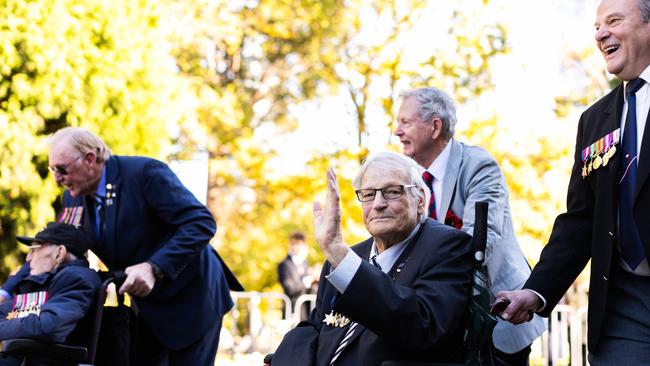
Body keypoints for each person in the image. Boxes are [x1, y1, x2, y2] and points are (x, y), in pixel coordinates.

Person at [2, 127, 238, 365]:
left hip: (192, 297)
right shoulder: (73, 198)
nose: (56, 178)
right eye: (53, 169)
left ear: (90, 159)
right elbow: (53, 246)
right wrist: (7, 290)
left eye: (62, 169)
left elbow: (200, 222)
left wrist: (153, 267)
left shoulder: (144, 173)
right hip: (147, 306)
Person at [496, 0, 650, 363]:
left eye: (614, 21)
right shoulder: (595, 120)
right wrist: (535, 292)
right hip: (622, 306)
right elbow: (580, 221)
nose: (600, 34)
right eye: (597, 26)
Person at [271, 152, 473, 365]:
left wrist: (341, 257)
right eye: (368, 194)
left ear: (420, 200)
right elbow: (314, 327)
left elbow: (423, 325)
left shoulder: (447, 246)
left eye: (392, 192)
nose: (378, 203)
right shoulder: (349, 257)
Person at [394, 86, 546, 365]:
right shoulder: (409, 177)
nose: (397, 131)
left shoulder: (478, 166)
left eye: (405, 122)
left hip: (498, 316)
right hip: (444, 321)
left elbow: (479, 239)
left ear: (434, 126)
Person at [0, 222, 101, 366]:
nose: (28, 259)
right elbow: (8, 310)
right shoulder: (50, 280)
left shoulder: (77, 278)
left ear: (59, 253)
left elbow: (47, 326)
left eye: (34, 249)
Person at [277, 231, 316, 320]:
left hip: (306, 311)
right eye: (294, 243)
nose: (297, 247)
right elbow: (290, 289)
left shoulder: (305, 263)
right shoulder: (284, 265)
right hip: (292, 310)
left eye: (299, 244)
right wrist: (307, 281)